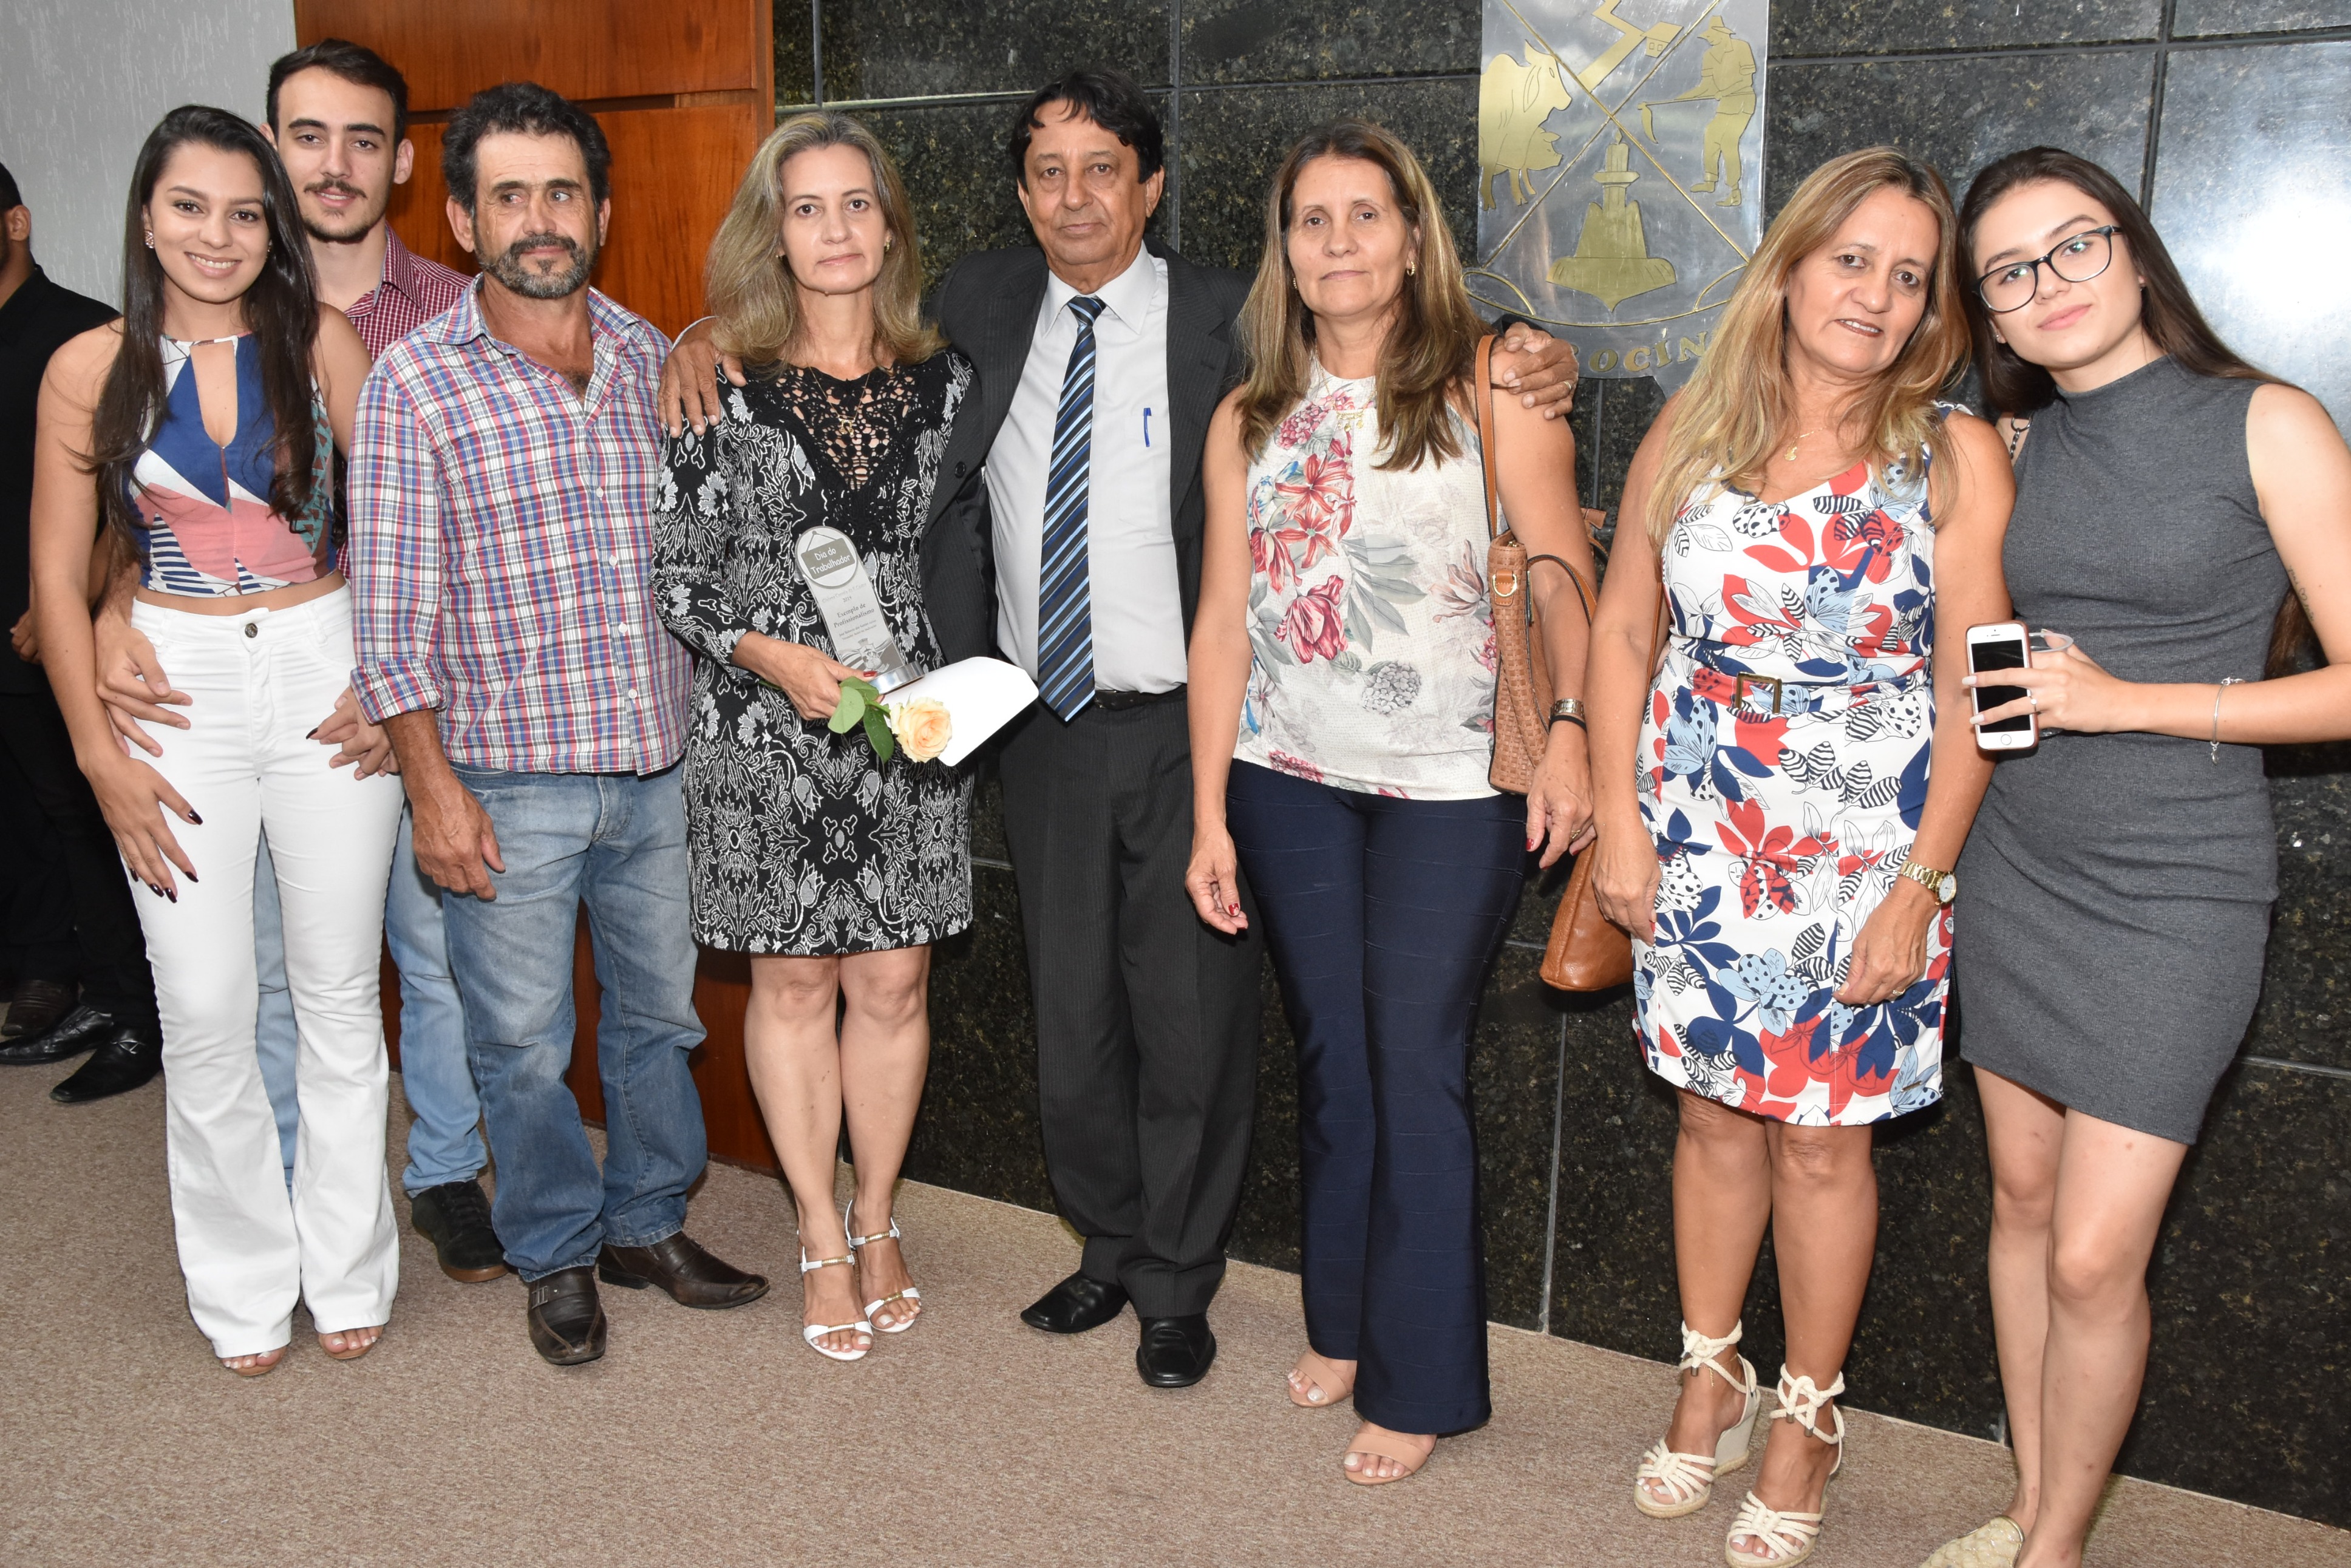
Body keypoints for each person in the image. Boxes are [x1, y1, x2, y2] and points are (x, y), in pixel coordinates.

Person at [663, 66, 1579, 1390]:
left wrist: (1531, 345)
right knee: (1072, 1011)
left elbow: (1386, 326)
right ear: (1020, 195)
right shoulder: (976, 303)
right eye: (1048, 172)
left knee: (1193, 1017)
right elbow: (823, 296)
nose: (1075, 196)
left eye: (1104, 169)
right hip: (1033, 719)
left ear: (1151, 185)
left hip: (1197, 721)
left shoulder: (1232, 316)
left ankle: (1178, 1278)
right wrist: (699, 335)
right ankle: (1105, 1242)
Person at [1919, 148, 2351, 1568]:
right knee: (2021, 1202)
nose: (2047, 283)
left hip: (2178, 886)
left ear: (2133, 247)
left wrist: (2126, 701)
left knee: (2096, 1249)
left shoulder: (2266, 422)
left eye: (2073, 244)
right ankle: (2033, 1504)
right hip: (2020, 860)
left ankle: (2054, 1548)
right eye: (2008, 270)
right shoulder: (2010, 443)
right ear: (1987, 311)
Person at [1583, 148, 2013, 1566]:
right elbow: (1623, 628)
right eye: (1852, 260)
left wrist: (1923, 885)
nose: (1876, 296)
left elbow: (1978, 687)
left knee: (1824, 1144)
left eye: (1909, 277)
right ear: (1789, 266)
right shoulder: (1694, 424)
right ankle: (1710, 1371)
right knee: (1712, 1117)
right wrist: (1621, 820)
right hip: (1699, 825)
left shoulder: (1951, 454)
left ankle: (1808, 1414)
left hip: (1866, 846)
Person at [1183, 120, 1594, 1484]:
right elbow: (1224, 623)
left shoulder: (1494, 387)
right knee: (1333, 1058)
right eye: (1313, 219)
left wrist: (1576, 736)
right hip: (1288, 778)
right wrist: (1207, 813)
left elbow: (1562, 575)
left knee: (1413, 1061)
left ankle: (1424, 1380)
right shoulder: (1250, 417)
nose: (1340, 241)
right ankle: (1347, 1322)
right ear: (1285, 252)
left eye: (1367, 215)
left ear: (1413, 240)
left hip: (1452, 787)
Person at [350, 81, 767, 1369]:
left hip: (660, 771)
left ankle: (646, 1223)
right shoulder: (414, 384)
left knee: (661, 1023)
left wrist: (706, 324)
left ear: (602, 211)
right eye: (510, 195)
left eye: (563, 192)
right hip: (505, 780)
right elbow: (390, 620)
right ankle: (554, 1251)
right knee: (523, 1045)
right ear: (464, 221)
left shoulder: (658, 359)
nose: (540, 218)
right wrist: (431, 789)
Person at [87, 39, 497, 1278]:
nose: (335, 163)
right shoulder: (147, 341)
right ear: (273, 151)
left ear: (402, 162)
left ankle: (440, 1178)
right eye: (308, 136)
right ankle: (266, 1207)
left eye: (363, 139)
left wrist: (397, 683)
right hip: (218, 680)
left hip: (370, 681)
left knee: (417, 961)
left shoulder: (453, 310)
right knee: (240, 977)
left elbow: (442, 527)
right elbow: (135, 516)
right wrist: (113, 609)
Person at [29, 107, 406, 1374]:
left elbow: (400, 530)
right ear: (147, 216)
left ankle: (347, 1268)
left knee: (338, 996)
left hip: (321, 669)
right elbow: (54, 575)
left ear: (273, 229)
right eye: (190, 207)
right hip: (172, 692)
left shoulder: (323, 341)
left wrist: (391, 684)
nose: (218, 235)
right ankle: (242, 1287)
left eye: (246, 212)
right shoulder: (88, 368)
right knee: (203, 1006)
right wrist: (99, 758)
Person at [655, 111, 972, 1362]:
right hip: (760, 725)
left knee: (894, 981)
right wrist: (771, 656)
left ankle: (878, 1215)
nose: (834, 229)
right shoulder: (715, 382)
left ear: (889, 227)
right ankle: (816, 1230)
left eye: (855, 204)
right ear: (773, 233)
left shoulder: (952, 383)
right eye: (806, 208)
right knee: (791, 982)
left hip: (905, 723)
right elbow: (680, 579)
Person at [0, 159, 162, 1102]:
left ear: (17, 221)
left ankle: (130, 1007)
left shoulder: (85, 334)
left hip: (44, 621)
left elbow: (127, 495)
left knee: (87, 815)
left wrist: (69, 598)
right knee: (25, 813)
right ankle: (53, 976)